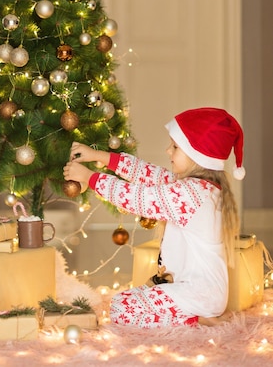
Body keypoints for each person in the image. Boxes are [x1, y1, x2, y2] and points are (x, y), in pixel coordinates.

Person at [63, 107, 245, 328]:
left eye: (176, 147)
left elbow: (137, 198)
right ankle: (195, 316)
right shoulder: (198, 187)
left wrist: (90, 178)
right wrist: (99, 157)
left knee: (121, 308)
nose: (168, 151)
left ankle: (196, 320)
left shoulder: (192, 194)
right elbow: (146, 173)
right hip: (197, 290)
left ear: (197, 156)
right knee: (129, 298)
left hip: (199, 294)